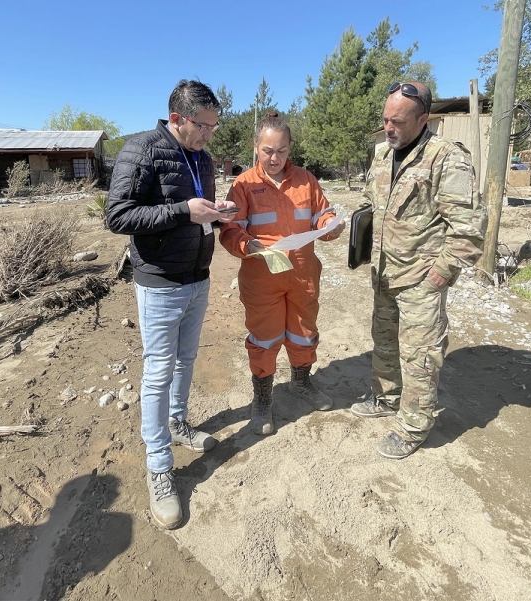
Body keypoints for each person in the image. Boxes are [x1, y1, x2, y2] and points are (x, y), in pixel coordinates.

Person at [106, 79, 236, 529]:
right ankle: (159, 465)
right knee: (159, 372)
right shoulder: (140, 149)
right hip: (160, 283)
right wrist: (184, 211)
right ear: (178, 119)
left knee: (186, 361)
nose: (209, 135)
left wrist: (217, 213)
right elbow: (117, 215)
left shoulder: (202, 157)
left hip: (198, 277)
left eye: (214, 127)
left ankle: (178, 423)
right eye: (204, 126)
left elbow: (197, 210)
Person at [349, 82, 487, 459]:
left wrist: (441, 273)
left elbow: (470, 226)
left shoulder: (446, 158)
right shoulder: (381, 153)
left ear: (423, 119)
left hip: (421, 279)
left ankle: (414, 426)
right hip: (383, 273)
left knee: (420, 355)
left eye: (397, 121)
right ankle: (387, 397)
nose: (389, 127)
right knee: (385, 340)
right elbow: (369, 202)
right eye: (385, 119)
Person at [219, 113, 345, 436]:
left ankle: (302, 383)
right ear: (255, 147)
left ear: (290, 148)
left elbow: (322, 215)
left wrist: (331, 226)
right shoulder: (244, 185)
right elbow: (230, 231)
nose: (275, 158)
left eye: (282, 151)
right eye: (267, 151)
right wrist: (249, 246)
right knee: (264, 338)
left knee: (304, 331)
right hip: (263, 279)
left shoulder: (306, 180)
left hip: (302, 275)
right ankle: (262, 399)